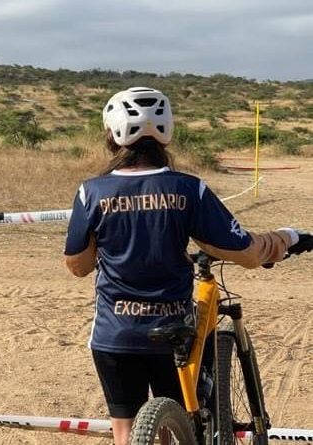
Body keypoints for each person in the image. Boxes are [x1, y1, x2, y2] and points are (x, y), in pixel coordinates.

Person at [63, 87, 308, 445]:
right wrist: (286, 238)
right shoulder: (188, 189)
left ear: (111, 135)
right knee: (178, 425)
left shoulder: (91, 192)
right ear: (166, 133)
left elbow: (78, 266)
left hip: (115, 332)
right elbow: (244, 251)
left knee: (125, 433)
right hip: (174, 330)